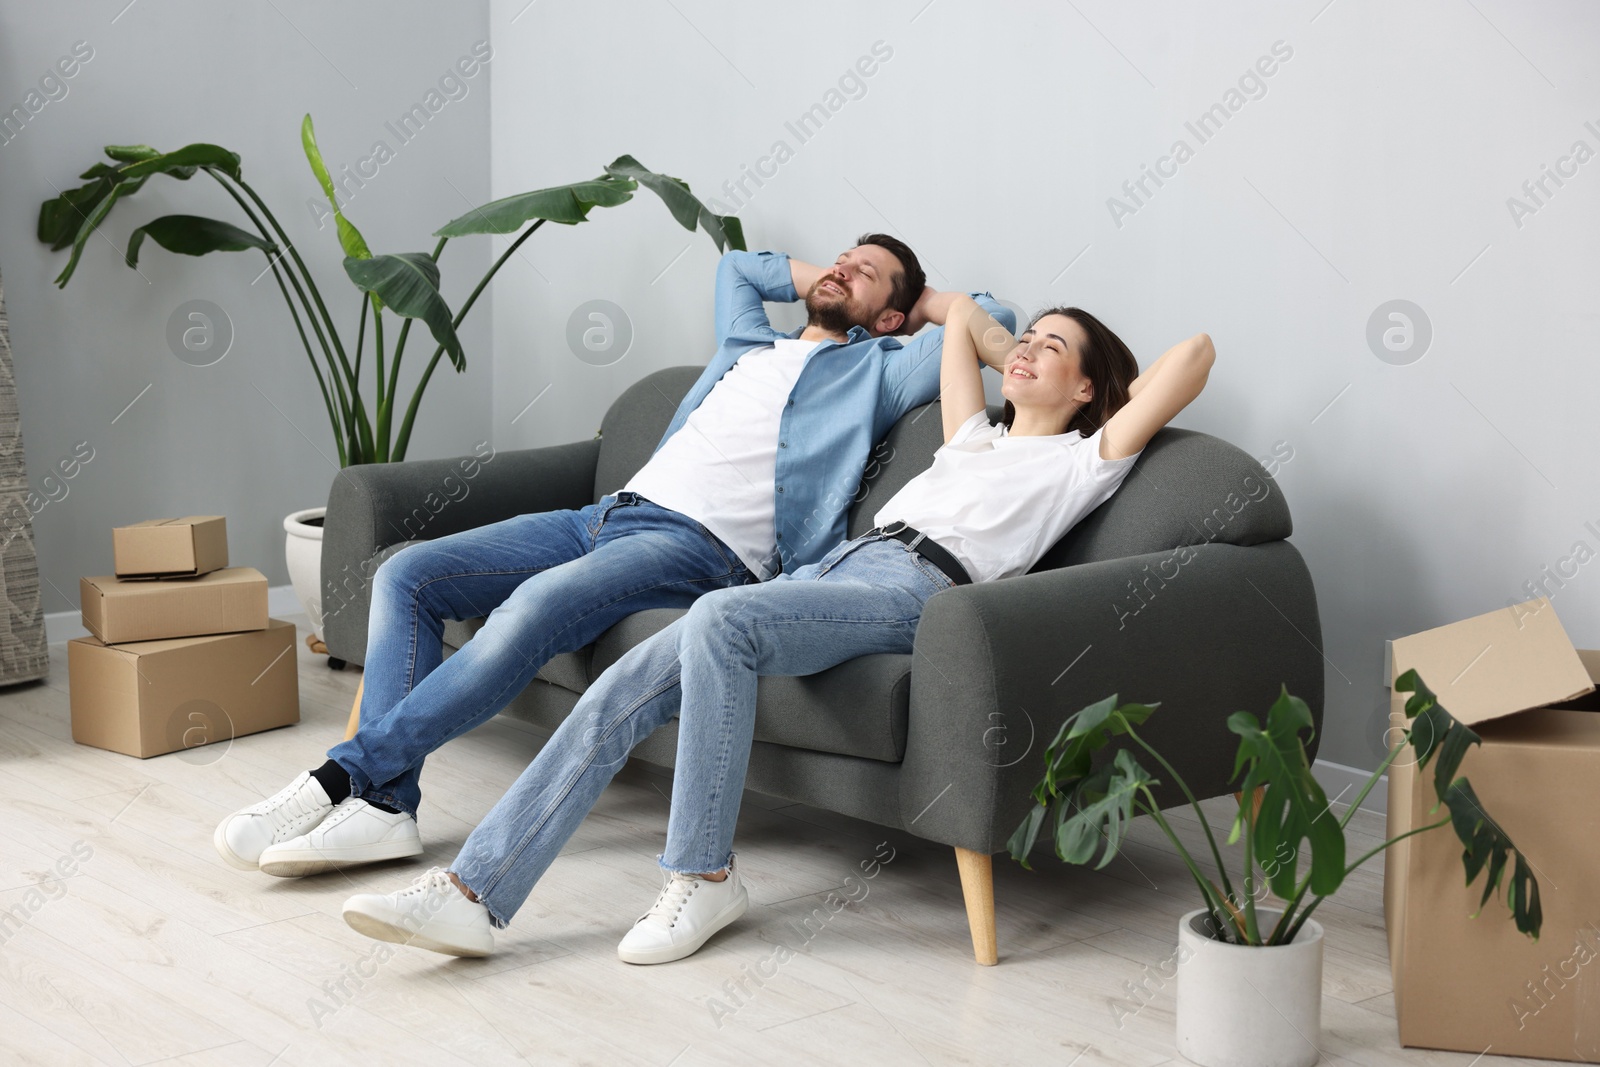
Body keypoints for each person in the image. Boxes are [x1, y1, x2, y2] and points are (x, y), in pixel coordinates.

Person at [335, 294, 1216, 960]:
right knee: (619, 689)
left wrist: (1097, 385)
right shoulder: (973, 439)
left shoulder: (1079, 463)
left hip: (920, 591)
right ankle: (475, 891)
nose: (1023, 352)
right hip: (835, 570)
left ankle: (704, 875)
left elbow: (1194, 355)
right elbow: (961, 325)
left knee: (720, 619)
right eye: (1025, 342)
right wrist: (1005, 343)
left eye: (1051, 349)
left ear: (1093, 384)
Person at [213, 236, 1014, 876]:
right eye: (843, 258)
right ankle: (387, 810)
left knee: (529, 609)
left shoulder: (879, 369)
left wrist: (919, 311)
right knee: (408, 573)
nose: (843, 267)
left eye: (868, 274)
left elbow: (989, 318)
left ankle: (340, 779)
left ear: (891, 320)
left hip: (702, 548)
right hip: (605, 515)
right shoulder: (747, 341)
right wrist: (839, 279)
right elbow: (737, 266)